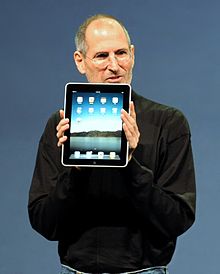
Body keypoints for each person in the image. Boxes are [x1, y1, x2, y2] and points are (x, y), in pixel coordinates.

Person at [28, 14, 196, 274]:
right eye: (102, 56)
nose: (114, 65)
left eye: (121, 53)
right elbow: (44, 222)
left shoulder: (169, 122)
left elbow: (177, 219)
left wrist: (130, 165)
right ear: (80, 61)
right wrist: (76, 171)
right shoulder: (59, 126)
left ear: (133, 55)